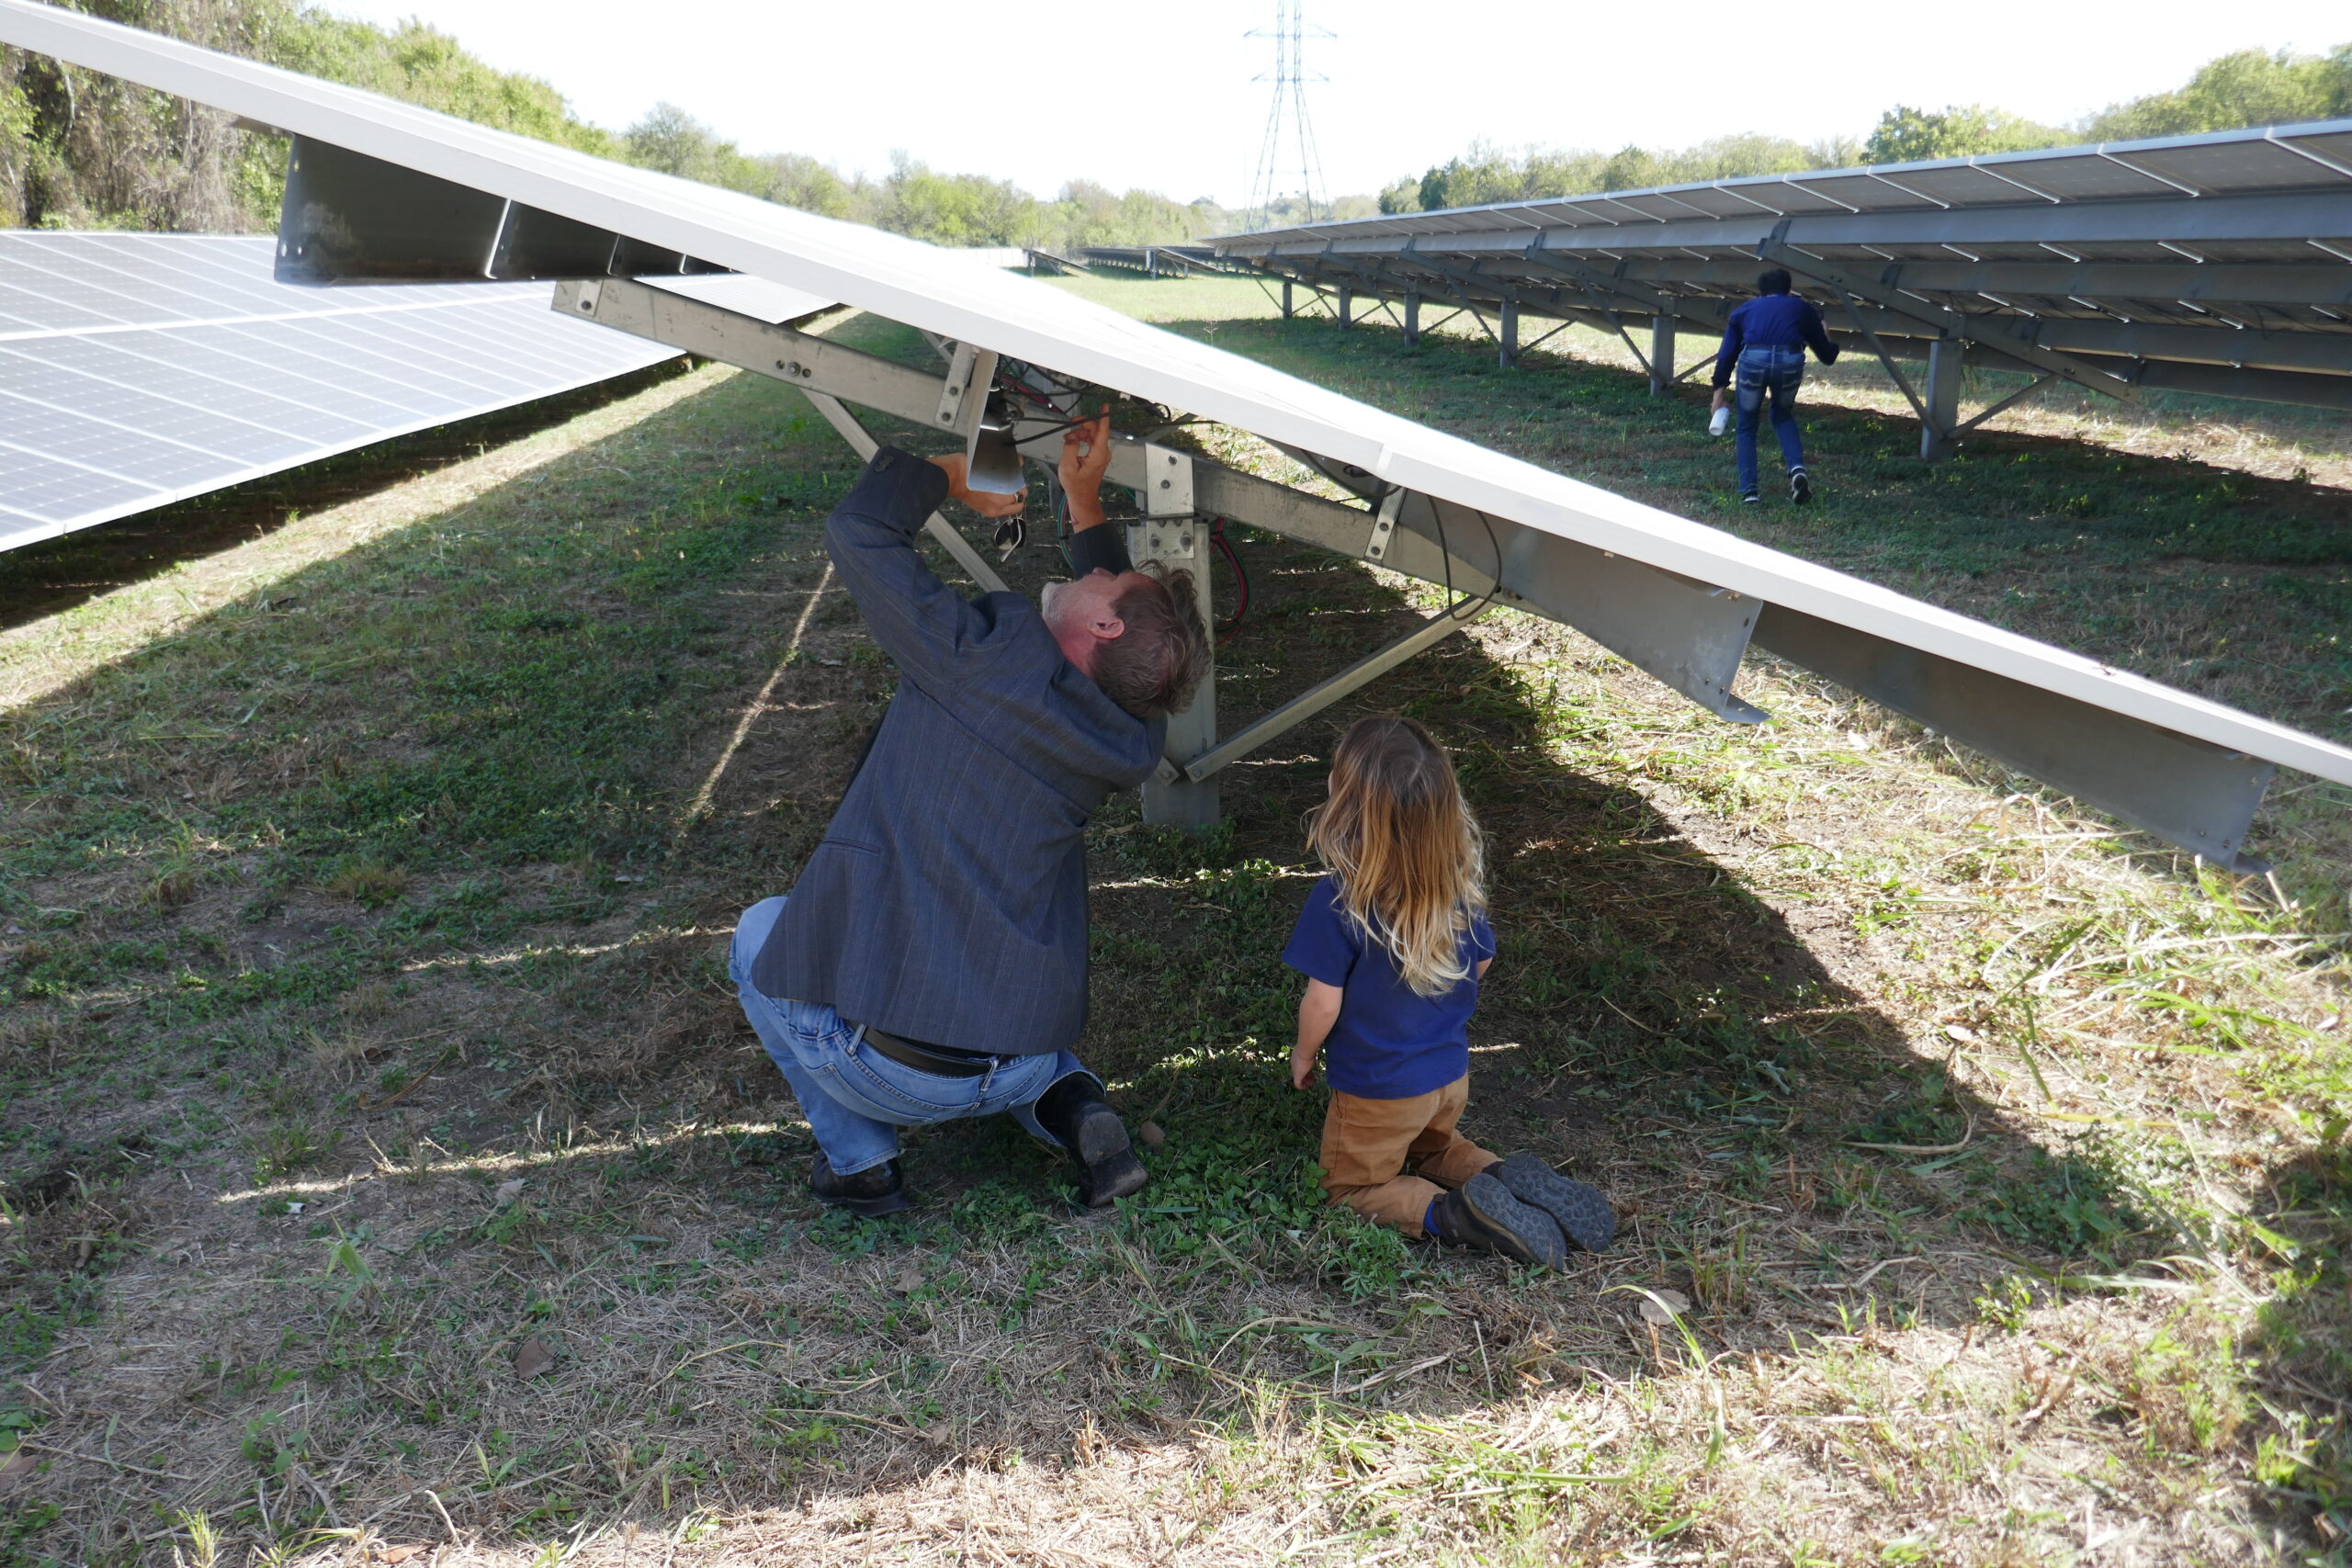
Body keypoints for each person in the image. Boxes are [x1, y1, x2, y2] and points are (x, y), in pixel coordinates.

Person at [729, 414, 1211, 1216]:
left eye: (1106, 588)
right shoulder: (1127, 735)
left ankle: (861, 1162)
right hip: (1019, 1055)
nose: (1086, 578)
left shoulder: (980, 659)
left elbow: (859, 530)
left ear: (1103, 624)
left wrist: (957, 475)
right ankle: (1070, 1102)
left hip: (885, 1072)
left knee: (757, 933)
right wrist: (1083, 506)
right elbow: (1134, 644)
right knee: (1001, 997)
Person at [1282, 715, 1614, 1267]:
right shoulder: (1455, 889)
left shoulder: (1340, 900)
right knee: (1436, 1145)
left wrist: (1303, 1051)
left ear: (1345, 804)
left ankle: (1454, 1215)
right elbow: (1481, 961)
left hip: (1377, 1091)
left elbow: (1323, 1001)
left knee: (1348, 1191)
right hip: (1447, 1076)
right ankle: (1503, 1178)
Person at [1710, 267, 1840, 506]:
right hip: (1789, 360)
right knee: (1782, 416)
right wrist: (1827, 335)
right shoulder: (1802, 308)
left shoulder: (1745, 310)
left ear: (1760, 292)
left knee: (1747, 424)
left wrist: (1719, 391)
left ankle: (1750, 492)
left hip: (1753, 360)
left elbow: (1727, 353)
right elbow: (1827, 356)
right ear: (1789, 290)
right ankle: (1797, 470)